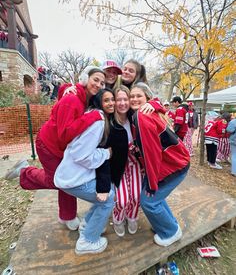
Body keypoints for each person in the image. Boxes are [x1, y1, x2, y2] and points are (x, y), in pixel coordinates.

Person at [5, 67, 106, 230]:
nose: (99, 84)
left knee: (66, 179)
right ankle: (25, 171)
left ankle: (67, 216)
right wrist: (91, 117)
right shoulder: (73, 99)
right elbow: (65, 134)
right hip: (48, 146)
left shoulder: (83, 98)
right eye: (96, 79)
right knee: (58, 181)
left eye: (102, 82)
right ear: (86, 79)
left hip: (60, 148)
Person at [54, 89, 115, 255]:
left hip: (73, 175)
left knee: (108, 191)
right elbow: (81, 154)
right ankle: (87, 241)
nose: (111, 103)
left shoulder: (93, 115)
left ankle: (88, 224)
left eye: (113, 99)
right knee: (108, 199)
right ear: (98, 102)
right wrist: (106, 153)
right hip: (73, 179)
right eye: (106, 100)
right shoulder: (98, 121)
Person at [130, 83, 190, 247]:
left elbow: (151, 153)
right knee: (157, 198)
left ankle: (170, 232)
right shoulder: (146, 111)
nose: (134, 99)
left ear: (147, 98)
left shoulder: (141, 116)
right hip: (177, 161)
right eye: (132, 96)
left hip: (174, 165)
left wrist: (152, 182)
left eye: (138, 96)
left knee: (149, 201)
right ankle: (168, 224)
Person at [111, 86, 142, 237]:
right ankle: (118, 218)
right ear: (114, 102)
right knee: (122, 199)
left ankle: (132, 217)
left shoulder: (134, 117)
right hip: (118, 166)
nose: (123, 103)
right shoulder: (109, 122)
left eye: (125, 99)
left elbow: (151, 102)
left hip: (135, 163)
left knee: (136, 196)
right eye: (119, 100)